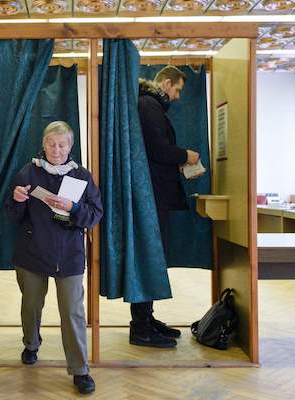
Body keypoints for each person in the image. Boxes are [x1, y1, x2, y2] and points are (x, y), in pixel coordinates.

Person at [5, 121, 103, 395]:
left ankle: (80, 369)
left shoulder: (82, 176)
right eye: (51, 144)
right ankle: (31, 344)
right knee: (31, 304)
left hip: (69, 255)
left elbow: (95, 215)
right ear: (44, 144)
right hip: (32, 252)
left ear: (70, 146)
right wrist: (16, 200)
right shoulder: (28, 172)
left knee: (72, 312)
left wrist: (73, 207)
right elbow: (12, 216)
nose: (56, 150)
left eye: (62, 144)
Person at [133, 65, 201, 349]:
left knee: (152, 260)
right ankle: (140, 327)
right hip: (153, 195)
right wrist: (186, 155)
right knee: (148, 260)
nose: (177, 97)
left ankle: (146, 320)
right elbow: (157, 150)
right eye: (177, 90)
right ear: (166, 82)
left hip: (154, 194)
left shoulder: (151, 105)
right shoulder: (149, 105)